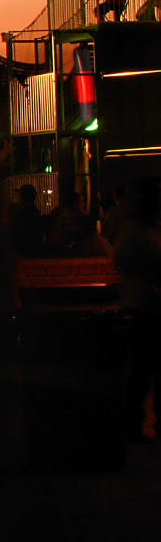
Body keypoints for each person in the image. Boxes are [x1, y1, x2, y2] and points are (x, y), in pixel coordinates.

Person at [113, 178, 161, 444]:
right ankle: (135, 424)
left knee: (142, 370)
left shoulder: (132, 231)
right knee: (145, 370)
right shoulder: (142, 232)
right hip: (145, 306)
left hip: (140, 304)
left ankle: (135, 424)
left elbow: (121, 264)